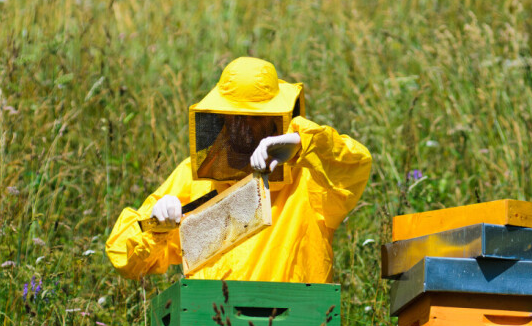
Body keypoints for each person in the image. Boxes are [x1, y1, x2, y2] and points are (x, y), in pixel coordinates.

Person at [105, 57, 372, 283]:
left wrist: (303, 143)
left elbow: (355, 163)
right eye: (234, 116)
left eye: (256, 117)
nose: (243, 125)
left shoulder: (309, 176)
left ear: (276, 119)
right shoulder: (194, 176)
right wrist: (156, 226)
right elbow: (123, 256)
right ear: (220, 117)